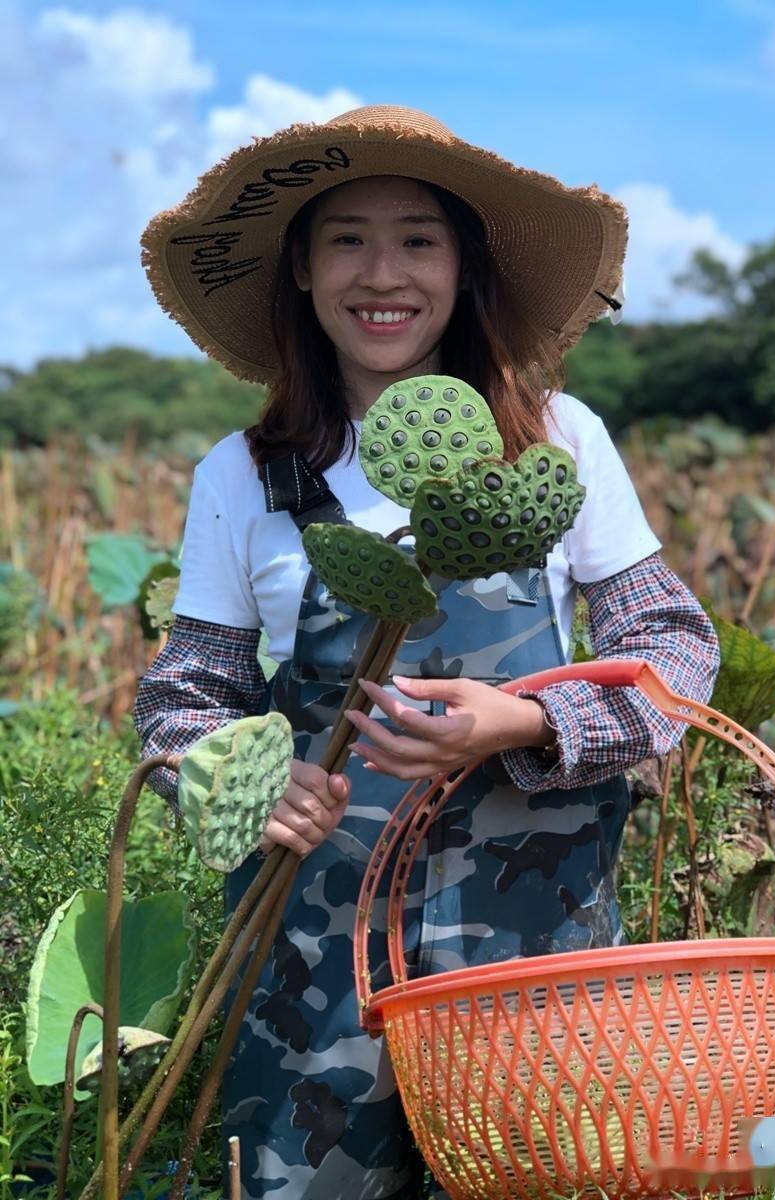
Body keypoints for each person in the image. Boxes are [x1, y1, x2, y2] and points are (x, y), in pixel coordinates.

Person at [135, 105, 719, 1199]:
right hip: (313, 964)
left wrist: (534, 724)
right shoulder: (248, 473)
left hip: (533, 953)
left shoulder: (557, 438)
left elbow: (672, 647)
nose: (382, 272)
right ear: (303, 271)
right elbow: (186, 692)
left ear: (462, 268)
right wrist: (238, 782)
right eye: (346, 238)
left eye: (417, 238)